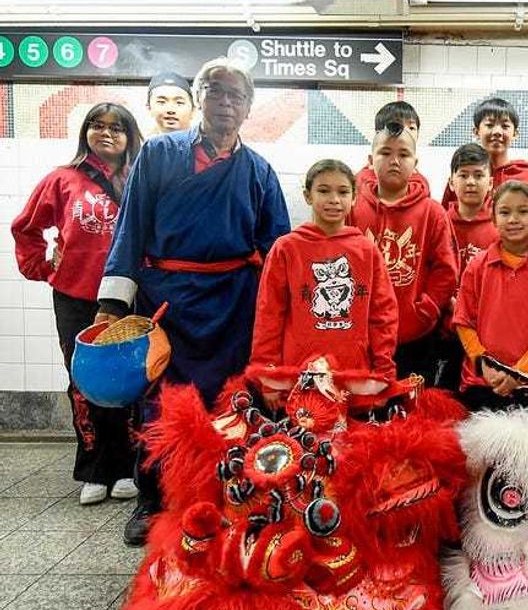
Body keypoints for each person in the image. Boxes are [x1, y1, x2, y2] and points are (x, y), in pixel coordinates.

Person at [96, 57, 291, 545]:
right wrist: (113, 304)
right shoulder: (159, 154)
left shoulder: (259, 172)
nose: (226, 103)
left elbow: (278, 248)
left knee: (233, 401)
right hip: (168, 304)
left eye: (236, 95)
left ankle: (232, 494)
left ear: (248, 108)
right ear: (198, 96)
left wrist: (288, 315)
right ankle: (153, 498)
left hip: (235, 305)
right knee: (160, 406)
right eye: (216, 91)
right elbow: (131, 228)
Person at [12, 103, 143, 506]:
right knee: (84, 383)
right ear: (85, 131)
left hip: (130, 300)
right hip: (75, 297)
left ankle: (127, 467)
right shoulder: (62, 180)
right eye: (97, 126)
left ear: (130, 135)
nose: (106, 133)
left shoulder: (140, 178)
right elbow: (26, 227)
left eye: (116, 127)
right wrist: (42, 265)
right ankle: (94, 469)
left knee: (131, 383)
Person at [251, 159, 398, 384]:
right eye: (323, 190)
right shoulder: (286, 248)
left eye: (343, 192)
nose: (334, 200)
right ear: (307, 196)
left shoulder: (366, 250)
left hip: (355, 373)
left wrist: (383, 371)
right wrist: (268, 372)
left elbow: (383, 314)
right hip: (296, 373)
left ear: (354, 198)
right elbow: (269, 313)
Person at [349, 122, 457, 385]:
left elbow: (445, 270)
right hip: (362, 334)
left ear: (415, 161)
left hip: (417, 335)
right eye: (385, 153)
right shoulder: (351, 208)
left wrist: (426, 310)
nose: (394, 161)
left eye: (404, 154)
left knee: (414, 414)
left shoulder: (433, 212)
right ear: (370, 160)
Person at [454, 180, 528, 411]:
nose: (514, 219)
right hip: (483, 382)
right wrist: (484, 364)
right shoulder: (477, 266)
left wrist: (520, 373)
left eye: (523, 211)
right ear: (493, 218)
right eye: (505, 212)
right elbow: (463, 321)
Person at [432, 142, 496, 390]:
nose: (471, 182)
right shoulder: (438, 222)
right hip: (443, 331)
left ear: (490, 182)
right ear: (451, 182)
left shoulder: (499, 228)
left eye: (479, 175)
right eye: (463, 175)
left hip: (484, 332)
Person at [441, 97, 528, 209]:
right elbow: (445, 219)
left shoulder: (527, 178)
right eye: (489, 125)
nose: (497, 132)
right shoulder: (462, 176)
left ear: (515, 134)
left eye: (505, 126)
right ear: (476, 131)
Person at [354, 100, 429, 197]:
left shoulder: (422, 183)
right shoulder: (362, 181)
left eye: (411, 128)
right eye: (398, 126)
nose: (406, 132)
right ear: (379, 133)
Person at [146, 71, 194, 136]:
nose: (170, 110)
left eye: (179, 103)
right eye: (162, 102)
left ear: (193, 111)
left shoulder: (207, 144)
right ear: (149, 108)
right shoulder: (140, 145)